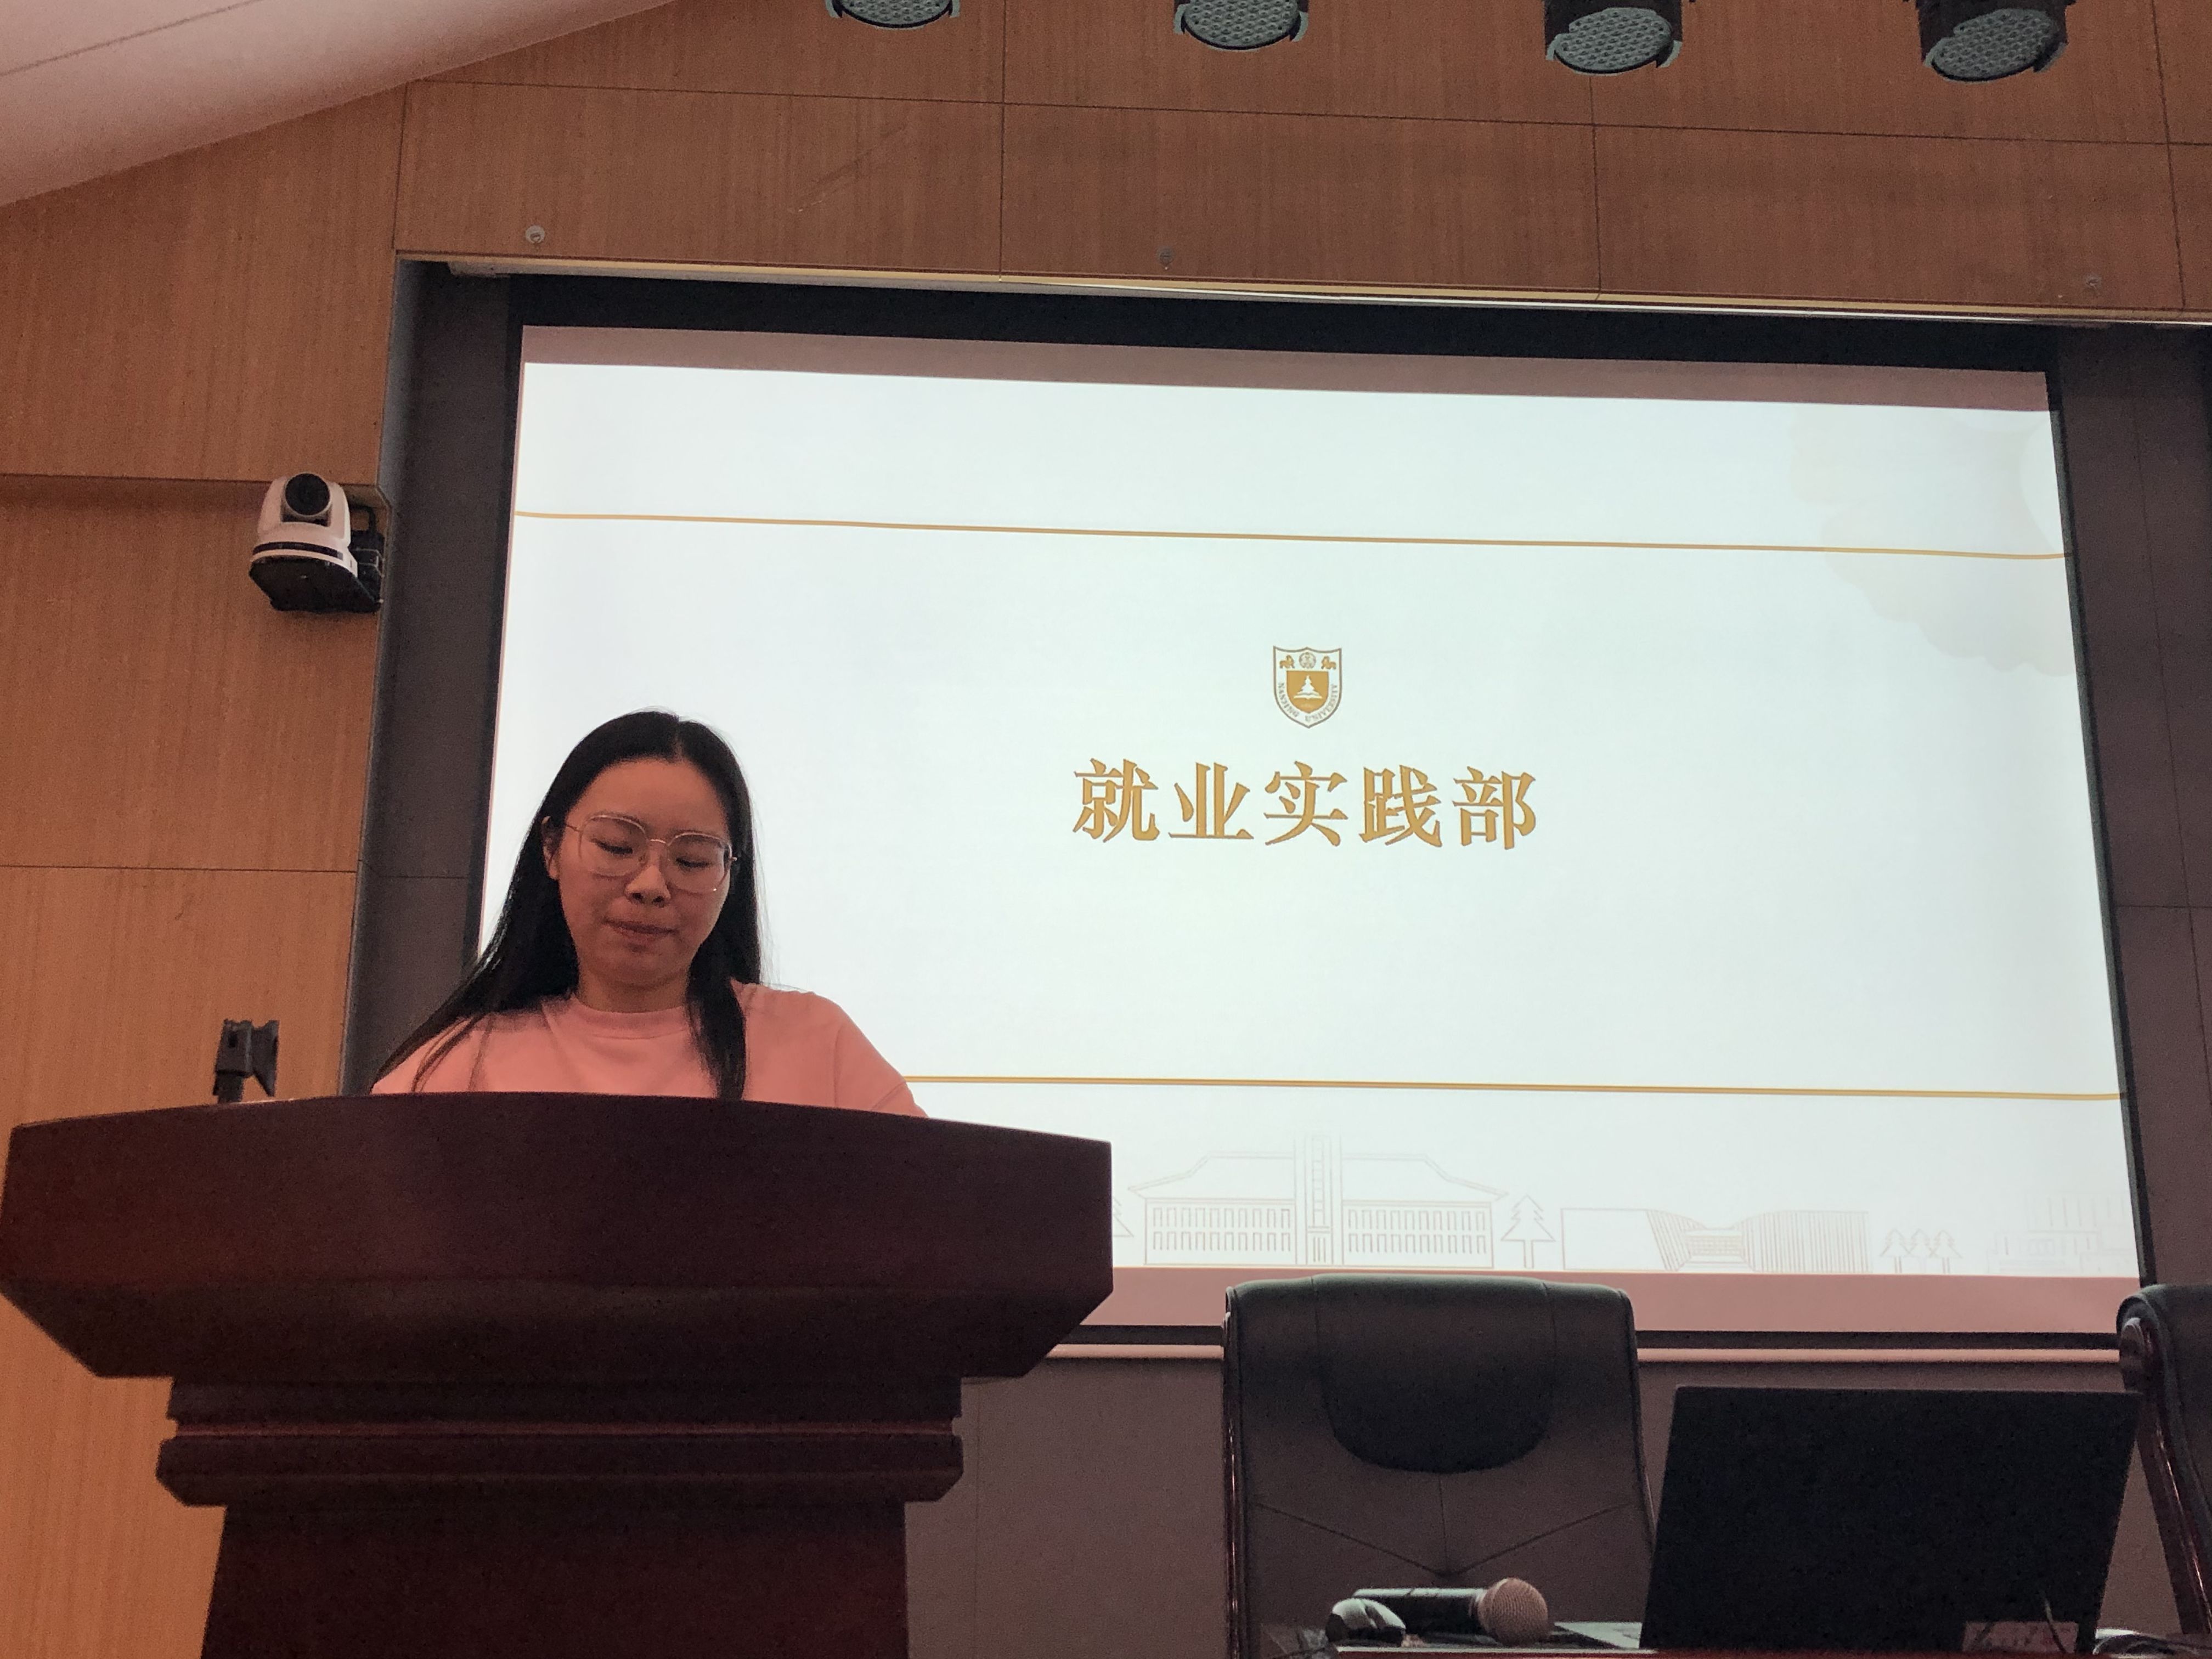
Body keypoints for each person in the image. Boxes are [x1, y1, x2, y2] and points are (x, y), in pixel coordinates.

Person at [375, 709, 918, 1114]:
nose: (651, 885)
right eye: (616, 846)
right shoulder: (451, 1073)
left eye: (692, 860)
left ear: (730, 875)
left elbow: (932, 1215)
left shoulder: (818, 1047)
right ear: (551, 848)